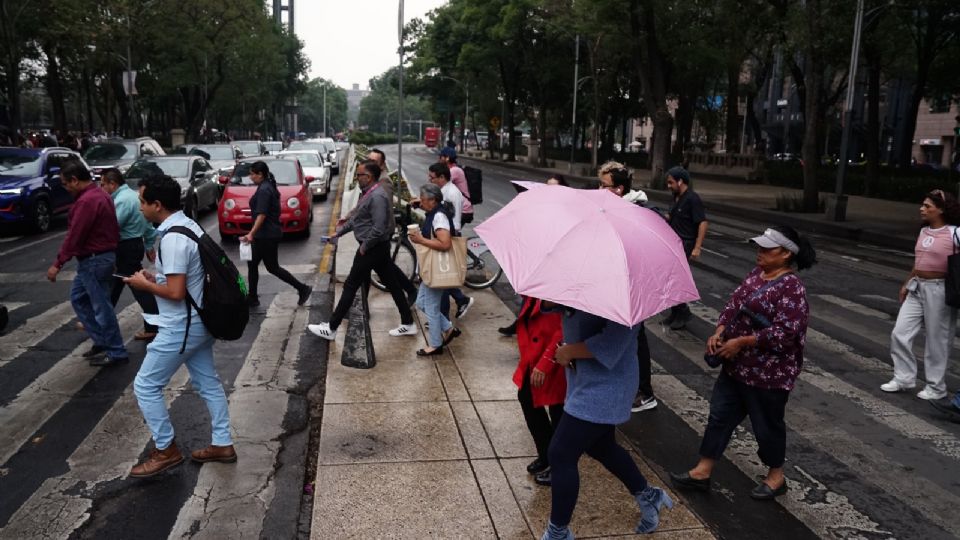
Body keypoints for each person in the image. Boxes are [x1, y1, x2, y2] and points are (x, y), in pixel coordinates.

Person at [670, 226, 816, 500]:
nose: (759, 253)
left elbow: (786, 333)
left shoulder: (792, 288)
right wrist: (720, 331)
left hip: (768, 374)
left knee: (767, 426)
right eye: (759, 247)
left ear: (786, 254)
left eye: (767, 249)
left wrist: (743, 341)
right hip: (735, 366)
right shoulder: (756, 274)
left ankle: (776, 477)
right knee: (719, 417)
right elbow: (733, 305)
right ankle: (702, 471)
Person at [124, 174, 236, 477]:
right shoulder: (188, 225)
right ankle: (222, 443)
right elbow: (186, 279)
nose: (140, 208)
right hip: (200, 320)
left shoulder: (172, 239)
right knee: (208, 382)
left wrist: (144, 285)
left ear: (157, 205)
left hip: (182, 326)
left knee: (146, 385)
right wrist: (156, 277)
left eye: (142, 202)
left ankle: (166, 450)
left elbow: (175, 292)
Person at [541, 304, 672, 540]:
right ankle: (649, 495)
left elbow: (612, 343)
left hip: (608, 386)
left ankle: (557, 533)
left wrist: (570, 351)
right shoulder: (586, 284)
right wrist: (551, 300)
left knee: (561, 453)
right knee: (602, 447)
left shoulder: (626, 298)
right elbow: (564, 311)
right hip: (583, 381)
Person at [308, 161, 416, 340]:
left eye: (360, 175)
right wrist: (338, 233)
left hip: (372, 248)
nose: (357, 178)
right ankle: (408, 323)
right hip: (375, 248)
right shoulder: (367, 194)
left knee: (350, 285)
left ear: (369, 177)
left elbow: (379, 228)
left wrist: (364, 246)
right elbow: (356, 219)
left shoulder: (378, 196)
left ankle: (332, 328)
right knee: (393, 284)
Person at [46, 159, 128, 367]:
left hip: (94, 260)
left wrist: (58, 264)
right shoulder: (100, 194)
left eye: (65, 183)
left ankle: (116, 350)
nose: (65, 188)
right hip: (98, 258)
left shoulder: (87, 201)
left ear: (74, 180)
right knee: (79, 299)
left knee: (102, 307)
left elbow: (75, 236)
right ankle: (102, 341)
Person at [882, 189, 959, 401]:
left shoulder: (955, 233)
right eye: (923, 205)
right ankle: (904, 378)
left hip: (940, 289)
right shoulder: (924, 231)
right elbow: (919, 262)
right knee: (900, 333)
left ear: (941, 210)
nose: (922, 209)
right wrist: (906, 283)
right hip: (917, 287)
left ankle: (936, 387)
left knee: (937, 340)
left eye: (927, 206)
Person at [598, 163, 657, 413]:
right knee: (626, 337)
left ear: (619, 189)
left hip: (633, 284)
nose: (600, 189)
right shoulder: (613, 208)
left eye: (605, 186)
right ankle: (630, 386)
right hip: (615, 281)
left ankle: (645, 392)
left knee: (635, 337)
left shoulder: (635, 212)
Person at [498, 174, 569, 338]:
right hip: (538, 259)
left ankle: (530, 328)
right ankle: (522, 324)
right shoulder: (542, 208)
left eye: (554, 188)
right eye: (547, 187)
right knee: (530, 295)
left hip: (553, 263)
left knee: (543, 301)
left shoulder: (565, 211)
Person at [99, 168, 161, 341]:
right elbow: (148, 226)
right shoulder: (132, 196)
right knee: (115, 284)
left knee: (137, 287)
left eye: (103, 184)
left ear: (113, 184)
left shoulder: (122, 200)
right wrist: (148, 245)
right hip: (133, 245)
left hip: (125, 247)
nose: (101, 188)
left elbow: (112, 227)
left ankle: (153, 326)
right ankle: (100, 319)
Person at [241, 161, 312, 308]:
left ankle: (302, 288)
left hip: (266, 235)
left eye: (252, 174)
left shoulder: (264, 190)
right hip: (264, 234)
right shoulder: (266, 185)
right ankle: (252, 297)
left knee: (272, 267)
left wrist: (251, 233)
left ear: (260, 174)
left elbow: (262, 215)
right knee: (252, 264)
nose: (250, 177)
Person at [513, 296, 565, 486]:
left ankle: (558, 466)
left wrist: (546, 362)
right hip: (535, 352)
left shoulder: (563, 291)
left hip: (557, 358)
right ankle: (546, 453)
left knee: (558, 409)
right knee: (527, 397)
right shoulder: (536, 288)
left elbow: (565, 330)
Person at [407, 183, 460, 356]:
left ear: (433, 200)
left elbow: (445, 244)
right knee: (421, 303)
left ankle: (436, 345)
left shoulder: (439, 217)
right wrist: (418, 204)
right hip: (431, 268)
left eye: (423, 200)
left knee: (430, 306)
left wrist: (420, 240)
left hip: (437, 268)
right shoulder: (435, 211)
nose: (421, 202)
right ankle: (448, 328)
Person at [367, 148, 419, 304]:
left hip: (381, 232)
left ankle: (408, 293)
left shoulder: (384, 182)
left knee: (379, 267)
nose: (369, 163)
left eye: (374, 161)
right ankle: (409, 292)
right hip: (374, 231)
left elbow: (382, 209)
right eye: (368, 160)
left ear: (382, 165)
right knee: (385, 266)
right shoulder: (372, 179)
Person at [664, 166, 707, 330]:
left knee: (675, 280)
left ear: (680, 181)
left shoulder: (692, 199)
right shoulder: (676, 197)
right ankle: (675, 312)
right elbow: (671, 216)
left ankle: (683, 312)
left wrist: (697, 247)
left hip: (685, 244)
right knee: (669, 279)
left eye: (671, 182)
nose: (668, 186)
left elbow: (702, 223)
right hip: (673, 243)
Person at [437, 149, 475, 319]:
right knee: (443, 274)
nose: (439, 158)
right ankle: (459, 300)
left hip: (463, 210)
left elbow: (441, 185)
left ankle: (447, 312)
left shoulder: (454, 171)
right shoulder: (450, 172)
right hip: (455, 212)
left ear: (446, 158)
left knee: (445, 270)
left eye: (441, 156)